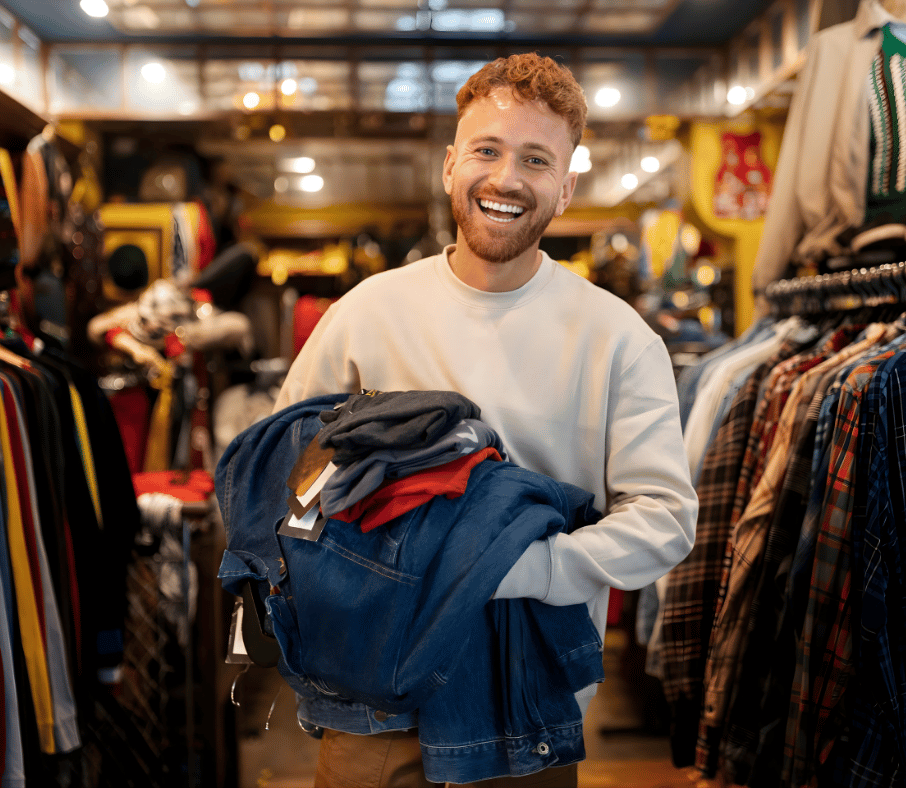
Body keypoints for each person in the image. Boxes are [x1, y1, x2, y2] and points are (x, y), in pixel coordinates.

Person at [274, 52, 698, 788]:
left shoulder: (619, 338)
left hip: (526, 710)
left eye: (535, 159)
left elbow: (664, 517)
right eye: (487, 150)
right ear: (450, 166)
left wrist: (522, 571)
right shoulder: (367, 313)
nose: (505, 179)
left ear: (565, 188)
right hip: (375, 701)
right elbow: (291, 472)